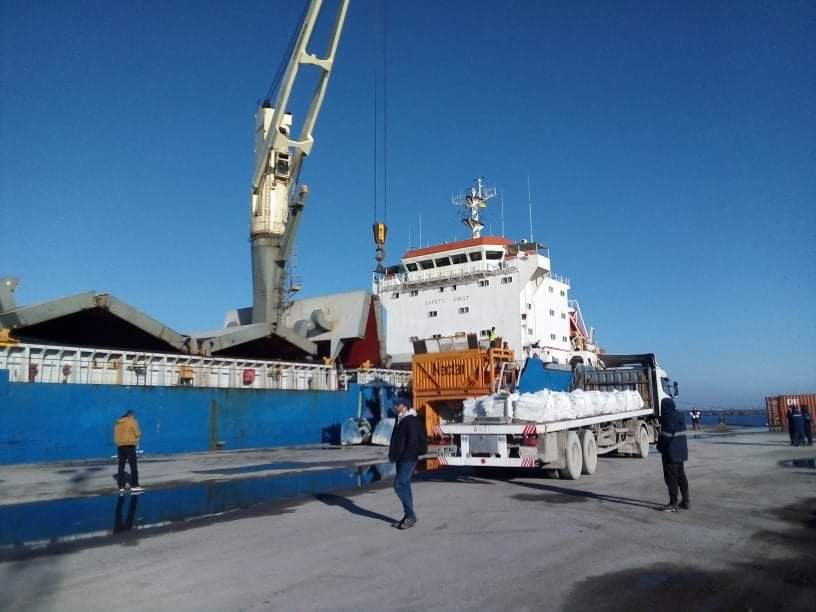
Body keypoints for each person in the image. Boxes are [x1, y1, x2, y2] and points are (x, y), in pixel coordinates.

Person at [389, 394, 424, 529]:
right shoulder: (400, 419)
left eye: (397, 405)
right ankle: (408, 516)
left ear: (404, 407)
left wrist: (405, 457)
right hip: (401, 458)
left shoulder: (411, 421)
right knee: (405, 486)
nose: (395, 407)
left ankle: (411, 515)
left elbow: (413, 442)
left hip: (407, 459)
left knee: (399, 485)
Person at [657, 398, 689, 512]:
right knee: (681, 476)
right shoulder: (680, 415)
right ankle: (686, 501)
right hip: (681, 452)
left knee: (671, 479)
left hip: (670, 452)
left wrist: (659, 447)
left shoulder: (666, 417)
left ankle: (673, 503)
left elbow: (665, 435)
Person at [114, 409, 143, 494]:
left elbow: (115, 434)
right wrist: (138, 435)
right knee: (133, 466)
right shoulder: (132, 421)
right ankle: (134, 485)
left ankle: (121, 486)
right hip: (130, 445)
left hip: (120, 446)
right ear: (131, 415)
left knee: (121, 466)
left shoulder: (118, 423)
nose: (134, 417)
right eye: (134, 415)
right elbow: (137, 433)